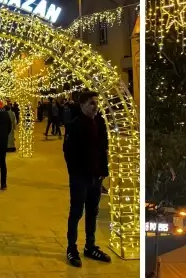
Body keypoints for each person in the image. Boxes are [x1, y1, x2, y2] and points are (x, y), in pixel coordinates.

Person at [63, 91, 111, 267]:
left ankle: (90, 246)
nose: (95, 106)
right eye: (91, 103)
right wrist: (76, 172)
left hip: (95, 177)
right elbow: (68, 152)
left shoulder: (99, 122)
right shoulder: (75, 125)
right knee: (76, 212)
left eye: (96, 103)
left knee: (93, 212)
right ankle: (71, 248)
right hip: (80, 178)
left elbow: (103, 148)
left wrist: (103, 171)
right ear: (82, 105)